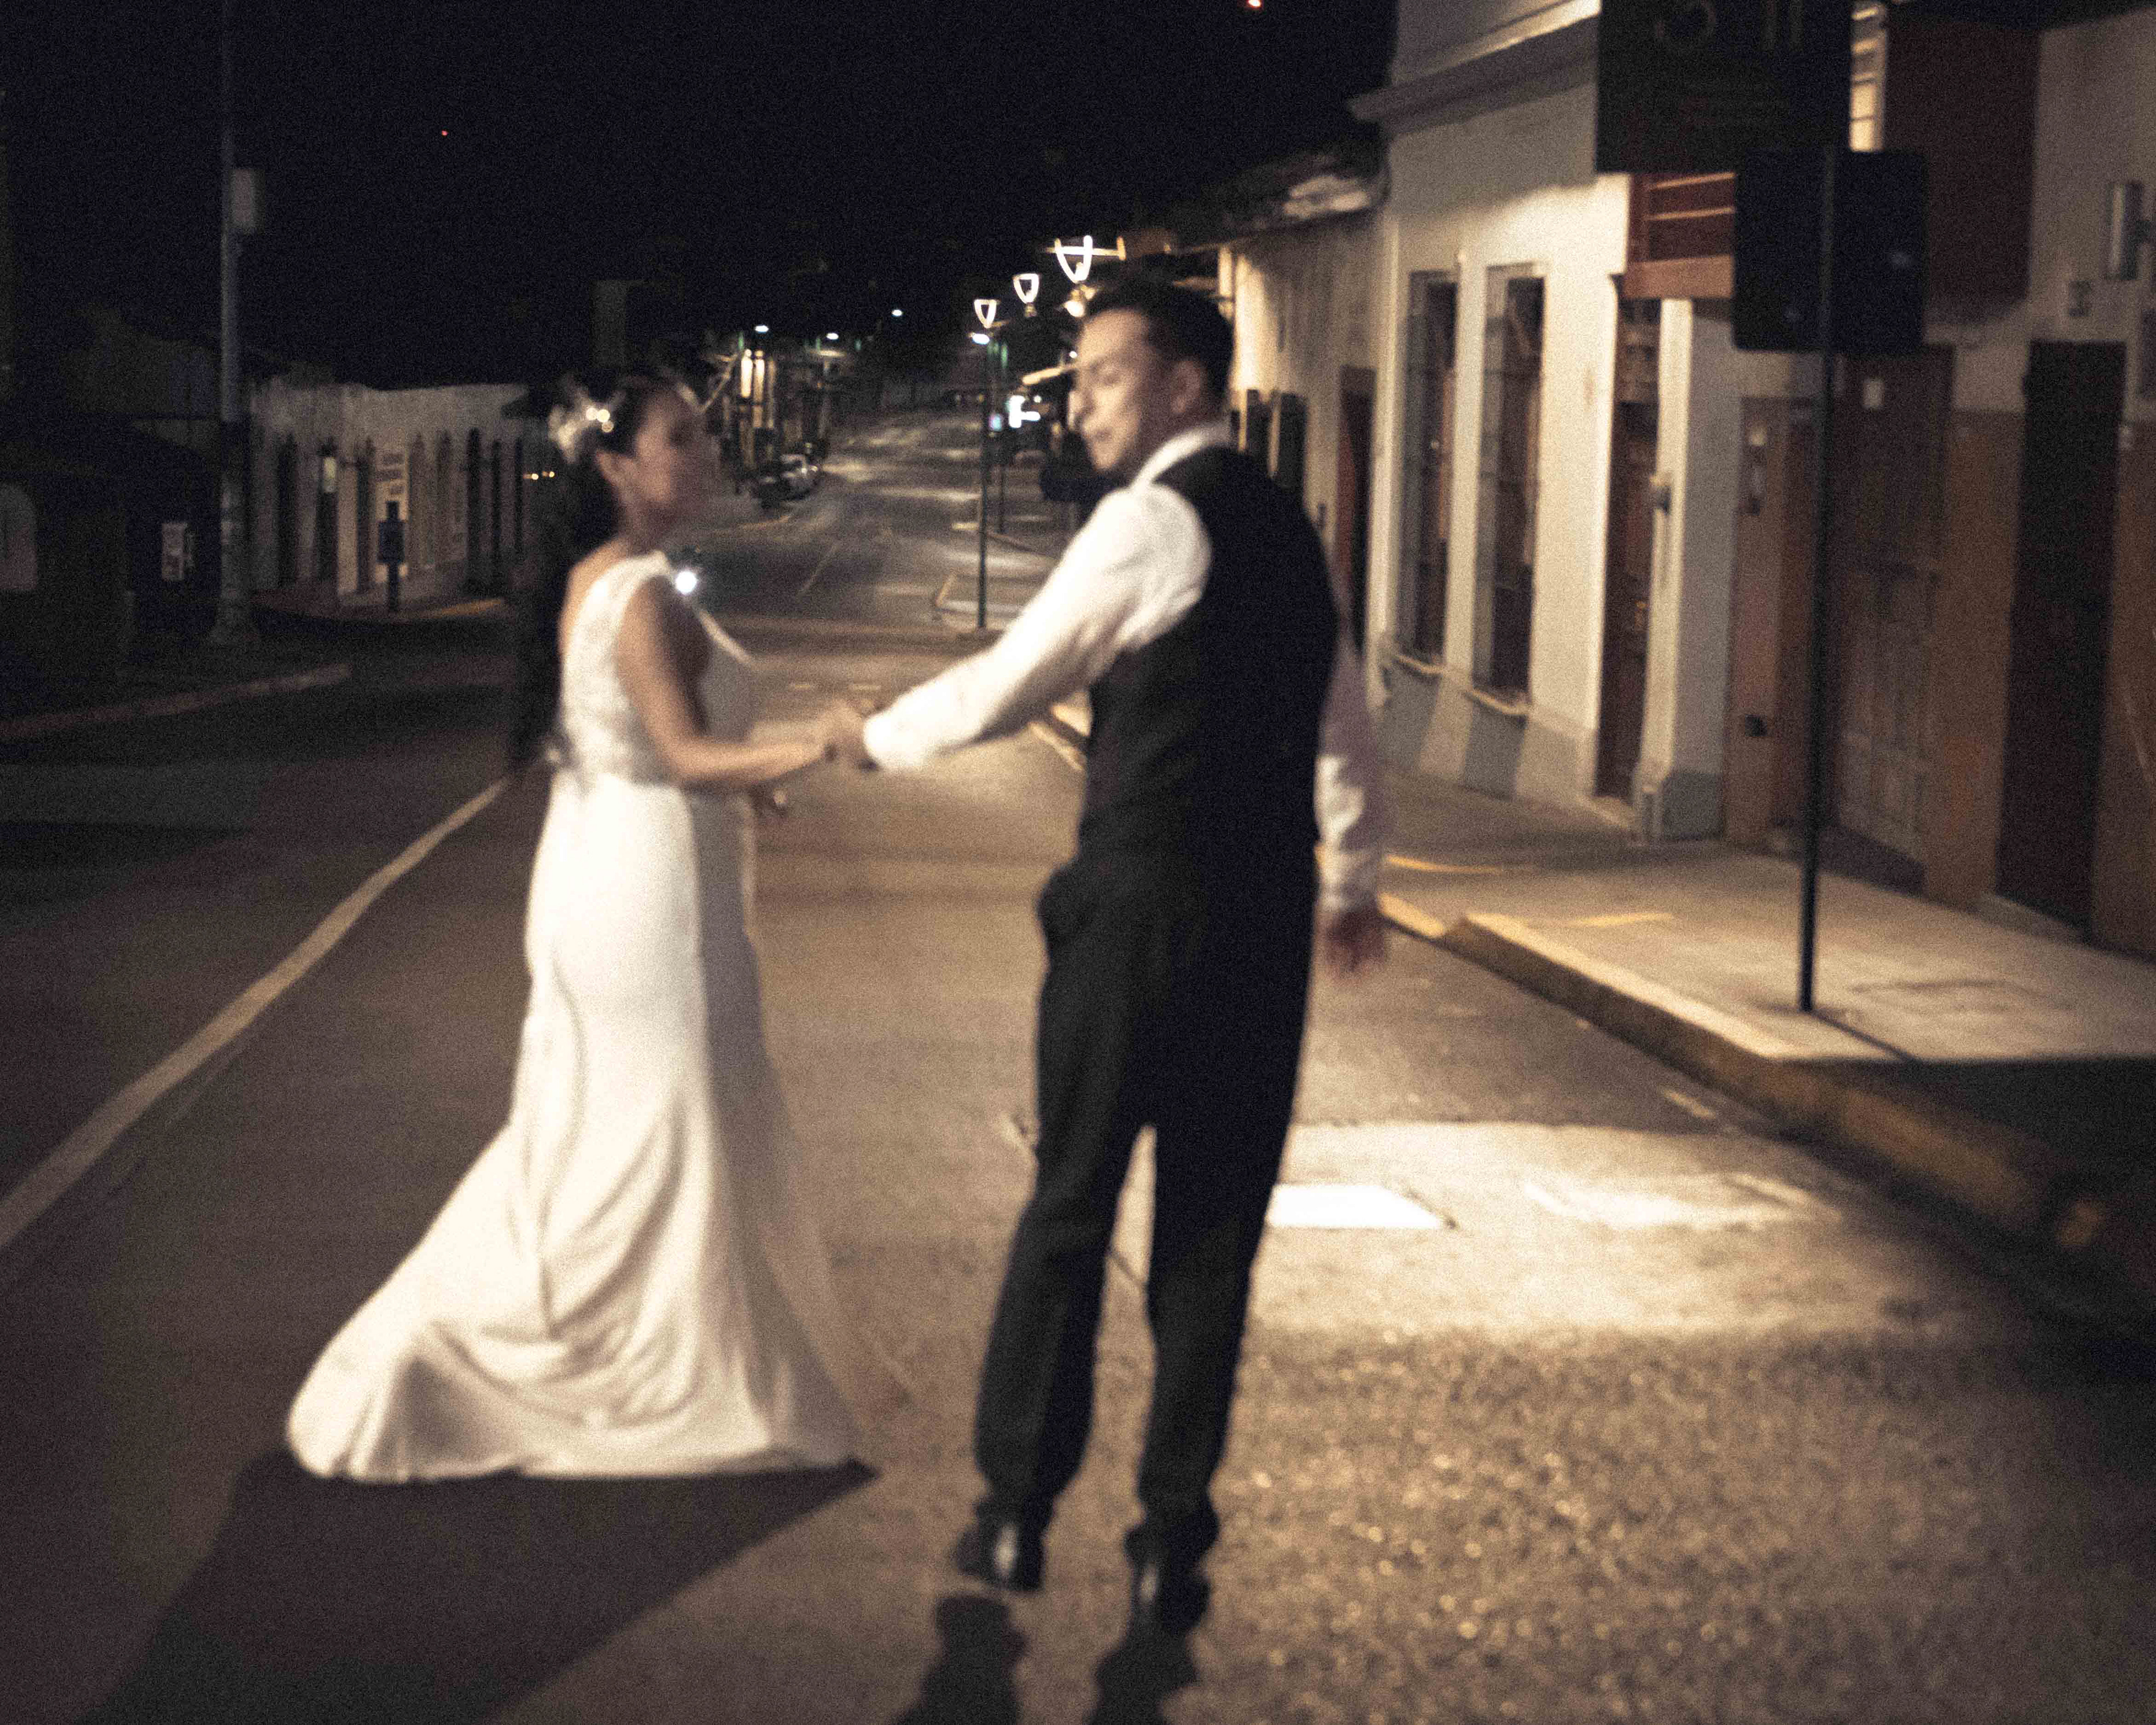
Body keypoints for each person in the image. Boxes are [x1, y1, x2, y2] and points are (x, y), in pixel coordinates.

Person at [828, 276, 1387, 1633]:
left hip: (1140, 908)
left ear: (1184, 385)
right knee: (1213, 1235)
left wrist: (873, 737)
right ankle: (1170, 1536)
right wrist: (1353, 882)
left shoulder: (1148, 520)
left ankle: (1017, 1512)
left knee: (1072, 1206)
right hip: (1262, 921)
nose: (1078, 402)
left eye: (1103, 375)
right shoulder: (1291, 533)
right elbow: (1344, 719)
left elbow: (1017, 676)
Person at [286, 370, 867, 1482]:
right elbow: (684, 755)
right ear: (615, 467)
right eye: (681, 439)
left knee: (616, 1121)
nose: (704, 454)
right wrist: (821, 742)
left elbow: (646, 742)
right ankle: (582, 1362)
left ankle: (602, 1339)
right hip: (650, 893)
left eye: (701, 435)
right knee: (663, 1120)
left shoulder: (606, 580)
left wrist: (753, 784)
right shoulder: (640, 593)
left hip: (611, 862)